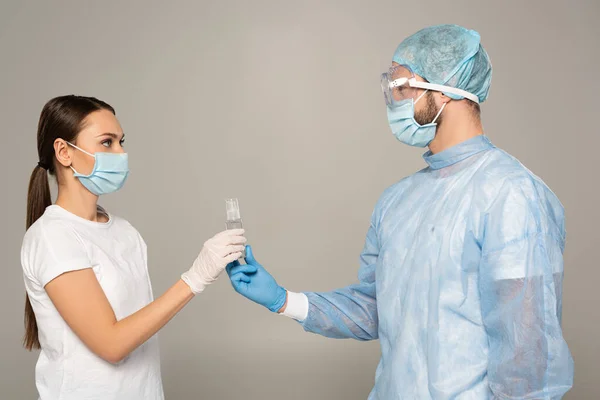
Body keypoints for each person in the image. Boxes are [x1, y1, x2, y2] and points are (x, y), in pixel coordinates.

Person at [227, 24, 574, 399]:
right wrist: (284, 300)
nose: (394, 99)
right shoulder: (397, 201)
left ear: (445, 88)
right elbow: (377, 308)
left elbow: (528, 359)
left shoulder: (512, 195)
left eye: (401, 84)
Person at [21, 95, 247, 400]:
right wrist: (195, 277)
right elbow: (111, 344)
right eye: (107, 142)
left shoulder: (125, 232)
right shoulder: (53, 236)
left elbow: (137, 329)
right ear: (64, 152)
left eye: (121, 141)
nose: (121, 152)